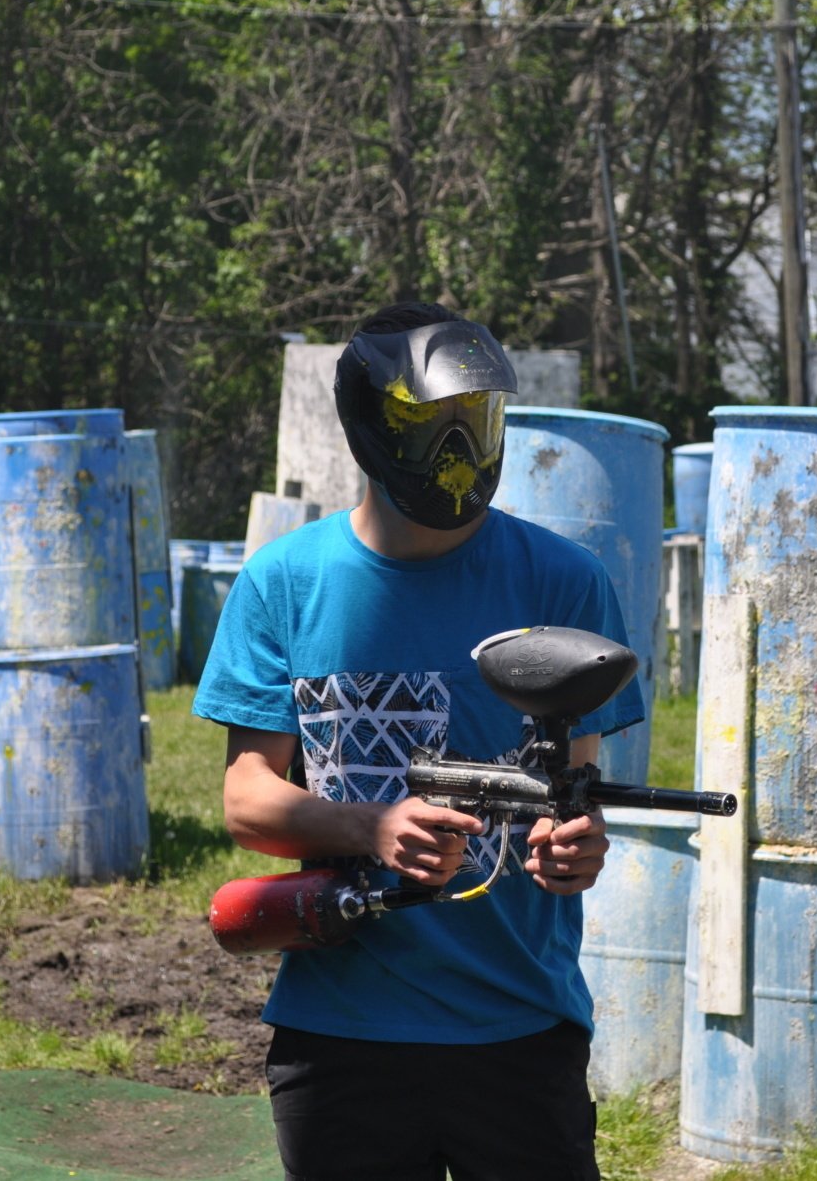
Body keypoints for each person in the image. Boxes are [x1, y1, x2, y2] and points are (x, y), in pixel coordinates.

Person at [195, 301, 643, 1181]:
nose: (461, 453)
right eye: (432, 426)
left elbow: (573, 800)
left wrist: (575, 848)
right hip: (342, 1034)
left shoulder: (565, 582)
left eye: (476, 424)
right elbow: (248, 798)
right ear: (372, 429)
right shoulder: (284, 582)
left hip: (517, 1023)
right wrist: (370, 828)